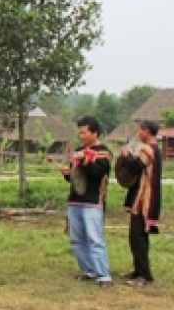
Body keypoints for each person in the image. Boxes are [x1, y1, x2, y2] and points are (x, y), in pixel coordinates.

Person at [58, 115, 112, 288]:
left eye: (84, 133)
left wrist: (85, 162)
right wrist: (68, 174)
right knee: (77, 238)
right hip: (76, 199)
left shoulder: (103, 152)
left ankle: (103, 275)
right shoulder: (78, 151)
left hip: (92, 201)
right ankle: (89, 271)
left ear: (95, 133)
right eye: (79, 133)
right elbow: (76, 177)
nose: (81, 136)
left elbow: (99, 173)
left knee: (95, 238)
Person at [118, 120, 162, 287]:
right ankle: (138, 271)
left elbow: (135, 167)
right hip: (142, 198)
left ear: (147, 132)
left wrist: (127, 155)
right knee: (137, 236)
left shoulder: (148, 149)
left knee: (138, 237)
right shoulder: (153, 149)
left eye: (140, 130)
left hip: (145, 200)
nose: (138, 133)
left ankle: (145, 276)